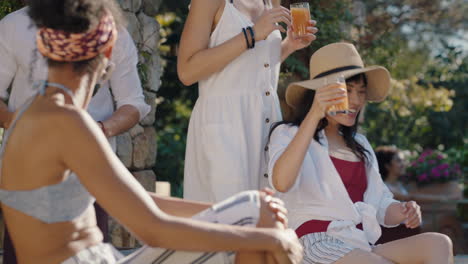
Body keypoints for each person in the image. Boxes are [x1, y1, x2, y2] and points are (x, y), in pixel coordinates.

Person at [0, 1, 303, 263]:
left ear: (45, 45)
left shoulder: (32, 114)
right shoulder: (70, 123)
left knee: (256, 210)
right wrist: (274, 240)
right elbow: (153, 228)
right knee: (262, 227)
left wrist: (234, 210)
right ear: (108, 52)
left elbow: (136, 201)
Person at [267, 42, 453, 263]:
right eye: (347, 91)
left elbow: (380, 204)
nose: (356, 101)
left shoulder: (360, 144)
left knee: (438, 243)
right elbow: (281, 182)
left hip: (358, 243)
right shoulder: (289, 134)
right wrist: (315, 115)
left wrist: (403, 210)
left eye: (361, 92)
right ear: (322, 92)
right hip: (313, 242)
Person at [0, 2, 150, 262]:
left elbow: (133, 102)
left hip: (92, 177)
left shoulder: (111, 29)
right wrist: (32, 131)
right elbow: (154, 221)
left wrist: (100, 131)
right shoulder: (13, 25)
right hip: (30, 171)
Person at [178, 0, 318, 203]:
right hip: (226, 125)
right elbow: (187, 71)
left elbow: (255, 64)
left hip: (267, 124)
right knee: (231, 220)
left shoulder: (270, 2)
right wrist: (251, 34)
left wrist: (289, 45)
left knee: (268, 216)